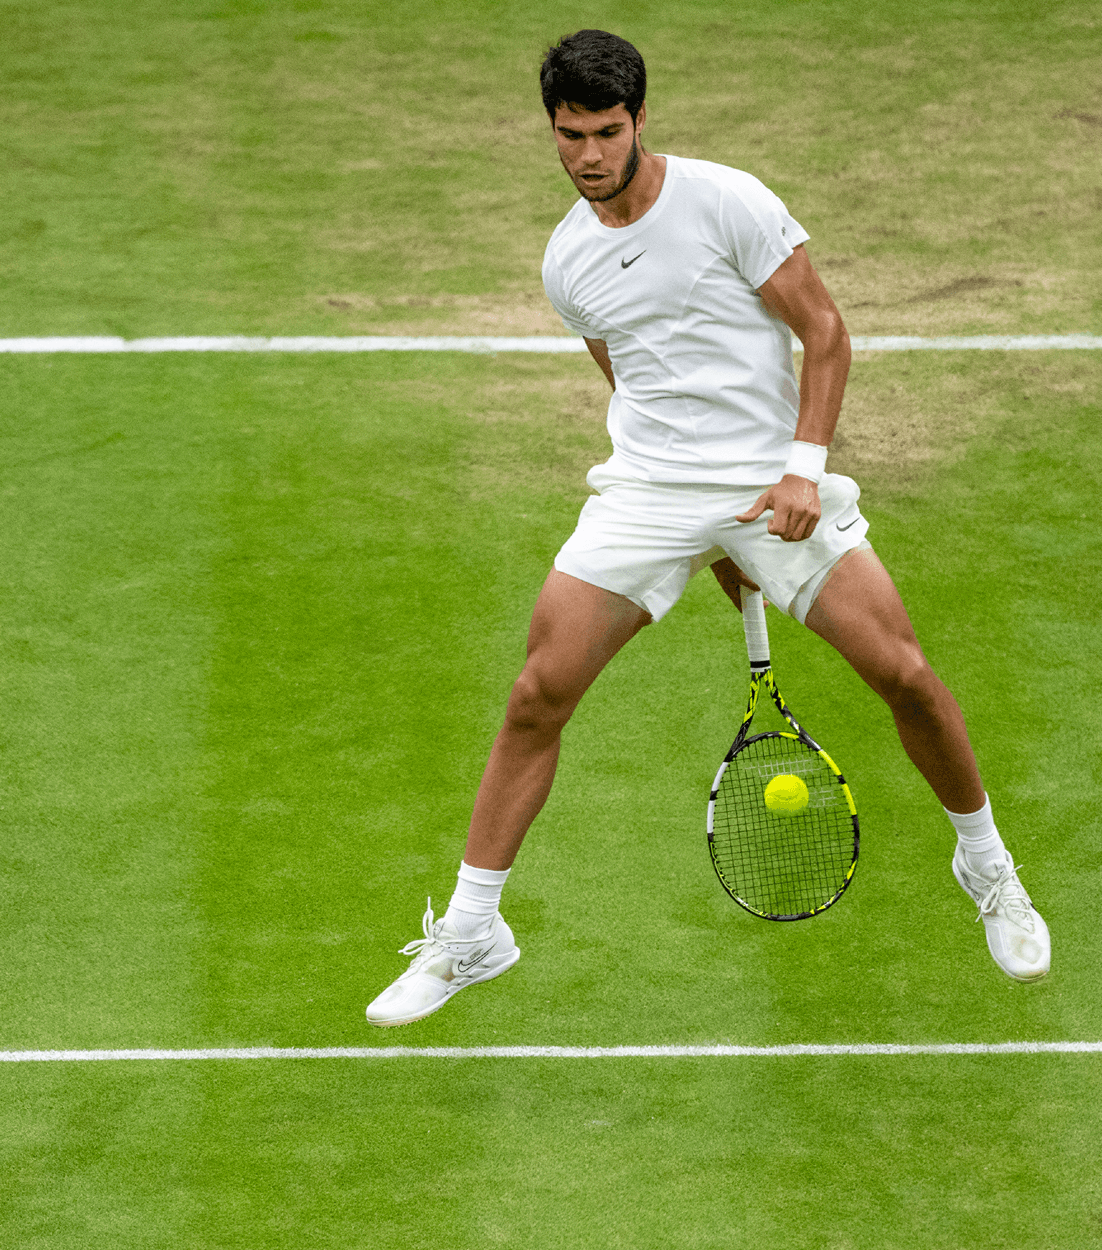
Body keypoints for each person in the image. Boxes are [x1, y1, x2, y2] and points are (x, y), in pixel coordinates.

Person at [367, 29, 1049, 1028]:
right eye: (569, 136)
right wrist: (697, 538)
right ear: (549, 130)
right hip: (647, 490)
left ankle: (988, 868)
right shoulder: (566, 261)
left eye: (606, 132)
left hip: (771, 484)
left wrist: (798, 472)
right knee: (535, 693)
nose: (589, 155)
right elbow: (628, 373)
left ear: (639, 120)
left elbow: (823, 331)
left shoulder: (728, 201)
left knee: (902, 673)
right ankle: (473, 932)